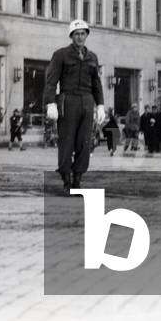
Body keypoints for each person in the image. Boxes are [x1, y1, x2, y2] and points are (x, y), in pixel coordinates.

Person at [44, 19, 105, 194]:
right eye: (76, 34)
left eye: (83, 34)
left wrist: (100, 105)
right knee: (67, 141)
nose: (80, 37)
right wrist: (51, 103)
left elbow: (97, 84)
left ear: (86, 35)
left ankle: (78, 179)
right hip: (68, 100)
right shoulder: (61, 55)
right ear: (71, 36)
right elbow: (51, 81)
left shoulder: (92, 57)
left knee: (84, 142)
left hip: (87, 101)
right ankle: (66, 179)